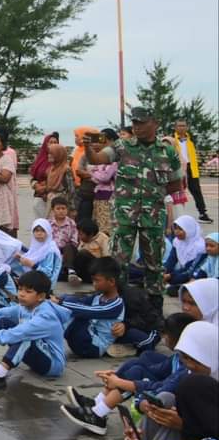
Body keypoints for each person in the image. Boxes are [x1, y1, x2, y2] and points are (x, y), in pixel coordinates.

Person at [86, 107, 185, 311]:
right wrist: (88, 147)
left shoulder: (168, 151)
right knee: (119, 262)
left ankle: (154, 309)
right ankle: (117, 305)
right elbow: (97, 159)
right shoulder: (122, 146)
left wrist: (155, 193)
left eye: (141, 123)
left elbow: (177, 183)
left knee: (154, 264)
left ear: (154, 123)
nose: (136, 127)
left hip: (154, 216)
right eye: (134, 123)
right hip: (124, 217)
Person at [60, 312, 199, 437]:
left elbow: (163, 385)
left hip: (170, 399)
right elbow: (157, 369)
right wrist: (118, 375)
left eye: (166, 334)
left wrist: (123, 382)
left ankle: (98, 414)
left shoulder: (187, 367)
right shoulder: (178, 357)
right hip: (164, 387)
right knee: (140, 361)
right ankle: (98, 403)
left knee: (136, 373)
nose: (164, 337)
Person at [57, 257, 125, 358]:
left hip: (94, 346)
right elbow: (79, 301)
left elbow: (92, 311)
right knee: (69, 308)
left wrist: (62, 302)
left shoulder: (116, 304)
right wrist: (62, 298)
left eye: (97, 281)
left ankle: (49, 336)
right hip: (84, 339)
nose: (94, 284)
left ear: (111, 282)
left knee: (78, 314)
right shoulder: (98, 297)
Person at [173, 118, 213, 224]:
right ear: (175, 127)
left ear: (187, 127)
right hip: (177, 167)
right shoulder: (172, 139)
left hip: (191, 167)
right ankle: (176, 215)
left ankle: (202, 213)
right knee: (177, 191)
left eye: (184, 125)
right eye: (179, 125)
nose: (182, 128)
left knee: (196, 191)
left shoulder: (191, 139)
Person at [164, 216, 207, 295]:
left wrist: (170, 275)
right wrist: (164, 272)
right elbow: (171, 261)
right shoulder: (177, 242)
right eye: (175, 228)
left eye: (180, 229)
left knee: (176, 280)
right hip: (181, 271)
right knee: (155, 273)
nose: (176, 232)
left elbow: (191, 269)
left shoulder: (200, 247)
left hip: (193, 274)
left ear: (189, 229)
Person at [15, 218, 62, 284]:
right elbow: (32, 258)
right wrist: (20, 258)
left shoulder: (51, 250)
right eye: (36, 231)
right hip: (34, 279)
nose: (39, 233)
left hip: (44, 284)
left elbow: (47, 273)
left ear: (48, 232)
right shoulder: (35, 246)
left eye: (43, 231)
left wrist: (32, 264)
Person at [90, 129, 120, 236]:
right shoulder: (100, 157)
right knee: (99, 227)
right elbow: (94, 176)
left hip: (109, 197)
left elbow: (105, 177)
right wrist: (95, 173)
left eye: (103, 140)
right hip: (99, 196)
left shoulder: (115, 158)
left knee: (108, 229)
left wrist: (93, 172)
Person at [29, 132, 59, 220]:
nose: (53, 144)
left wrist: (46, 188)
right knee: (41, 224)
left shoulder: (60, 161)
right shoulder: (40, 159)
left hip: (54, 199)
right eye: (50, 142)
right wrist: (36, 185)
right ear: (46, 144)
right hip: (39, 197)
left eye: (55, 142)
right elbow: (32, 177)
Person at [72, 126, 98, 223]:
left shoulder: (93, 153)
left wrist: (90, 175)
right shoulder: (77, 151)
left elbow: (104, 175)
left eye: (77, 136)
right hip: (81, 189)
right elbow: (78, 170)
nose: (76, 138)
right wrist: (94, 175)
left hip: (93, 191)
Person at [49, 197, 79, 282]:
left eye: (63, 208)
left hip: (67, 251)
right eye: (58, 209)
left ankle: (70, 271)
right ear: (52, 210)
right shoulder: (48, 223)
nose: (61, 211)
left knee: (69, 247)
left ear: (67, 209)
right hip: (52, 250)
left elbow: (74, 241)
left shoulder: (71, 223)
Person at [74, 218, 111, 284]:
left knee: (83, 253)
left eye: (81, 234)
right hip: (81, 268)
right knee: (69, 247)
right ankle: (72, 273)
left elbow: (106, 259)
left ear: (90, 234)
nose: (79, 236)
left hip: (95, 269)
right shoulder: (83, 240)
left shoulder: (103, 239)